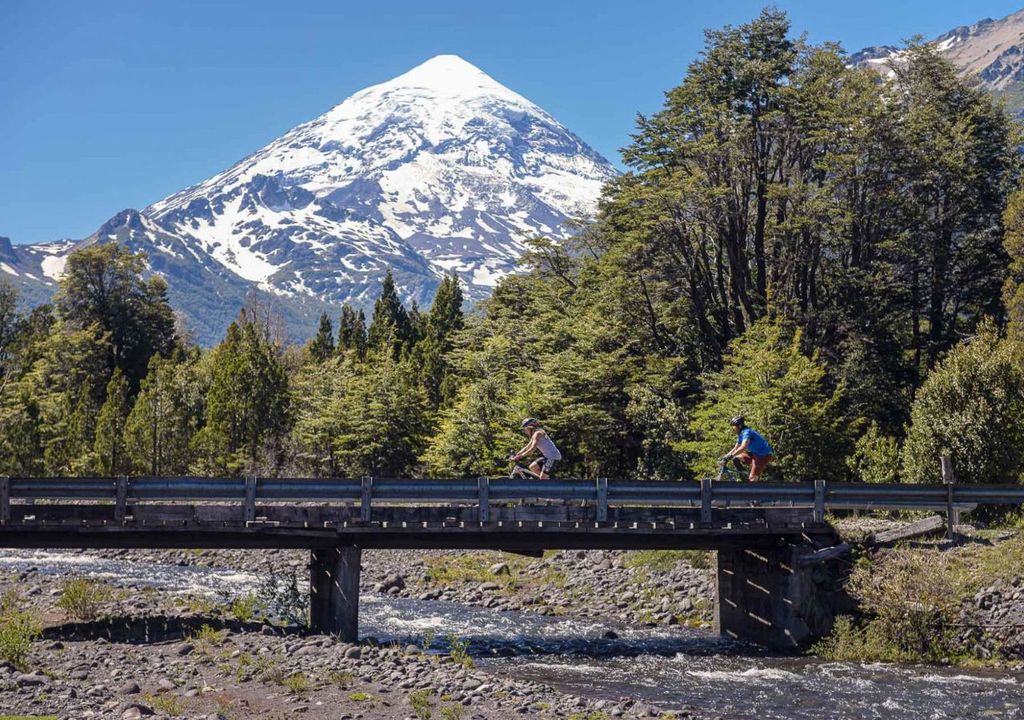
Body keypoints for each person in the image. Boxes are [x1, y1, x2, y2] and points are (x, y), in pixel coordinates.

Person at [723, 415, 773, 481]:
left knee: (752, 478)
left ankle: (752, 485)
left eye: (734, 426)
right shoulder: (740, 434)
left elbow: (743, 447)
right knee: (736, 458)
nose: (732, 428)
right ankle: (744, 477)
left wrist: (731, 455)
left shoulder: (746, 432)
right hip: (754, 454)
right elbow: (735, 448)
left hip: (763, 455)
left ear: (739, 426)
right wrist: (725, 457)